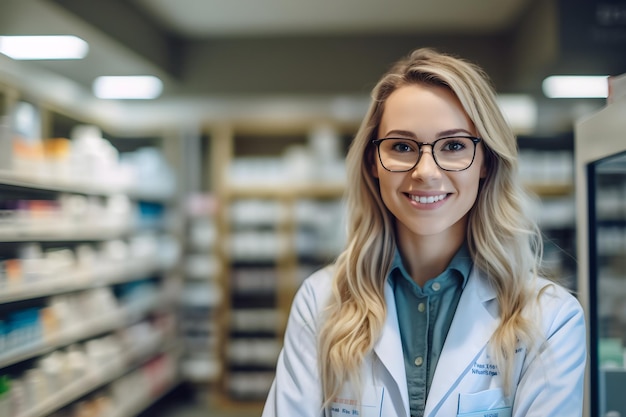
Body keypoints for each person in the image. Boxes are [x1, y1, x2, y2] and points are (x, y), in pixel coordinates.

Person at [261, 48, 586, 417]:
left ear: (486, 162)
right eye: (401, 146)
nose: (426, 171)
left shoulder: (550, 319)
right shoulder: (320, 303)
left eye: (453, 146)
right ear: (373, 163)